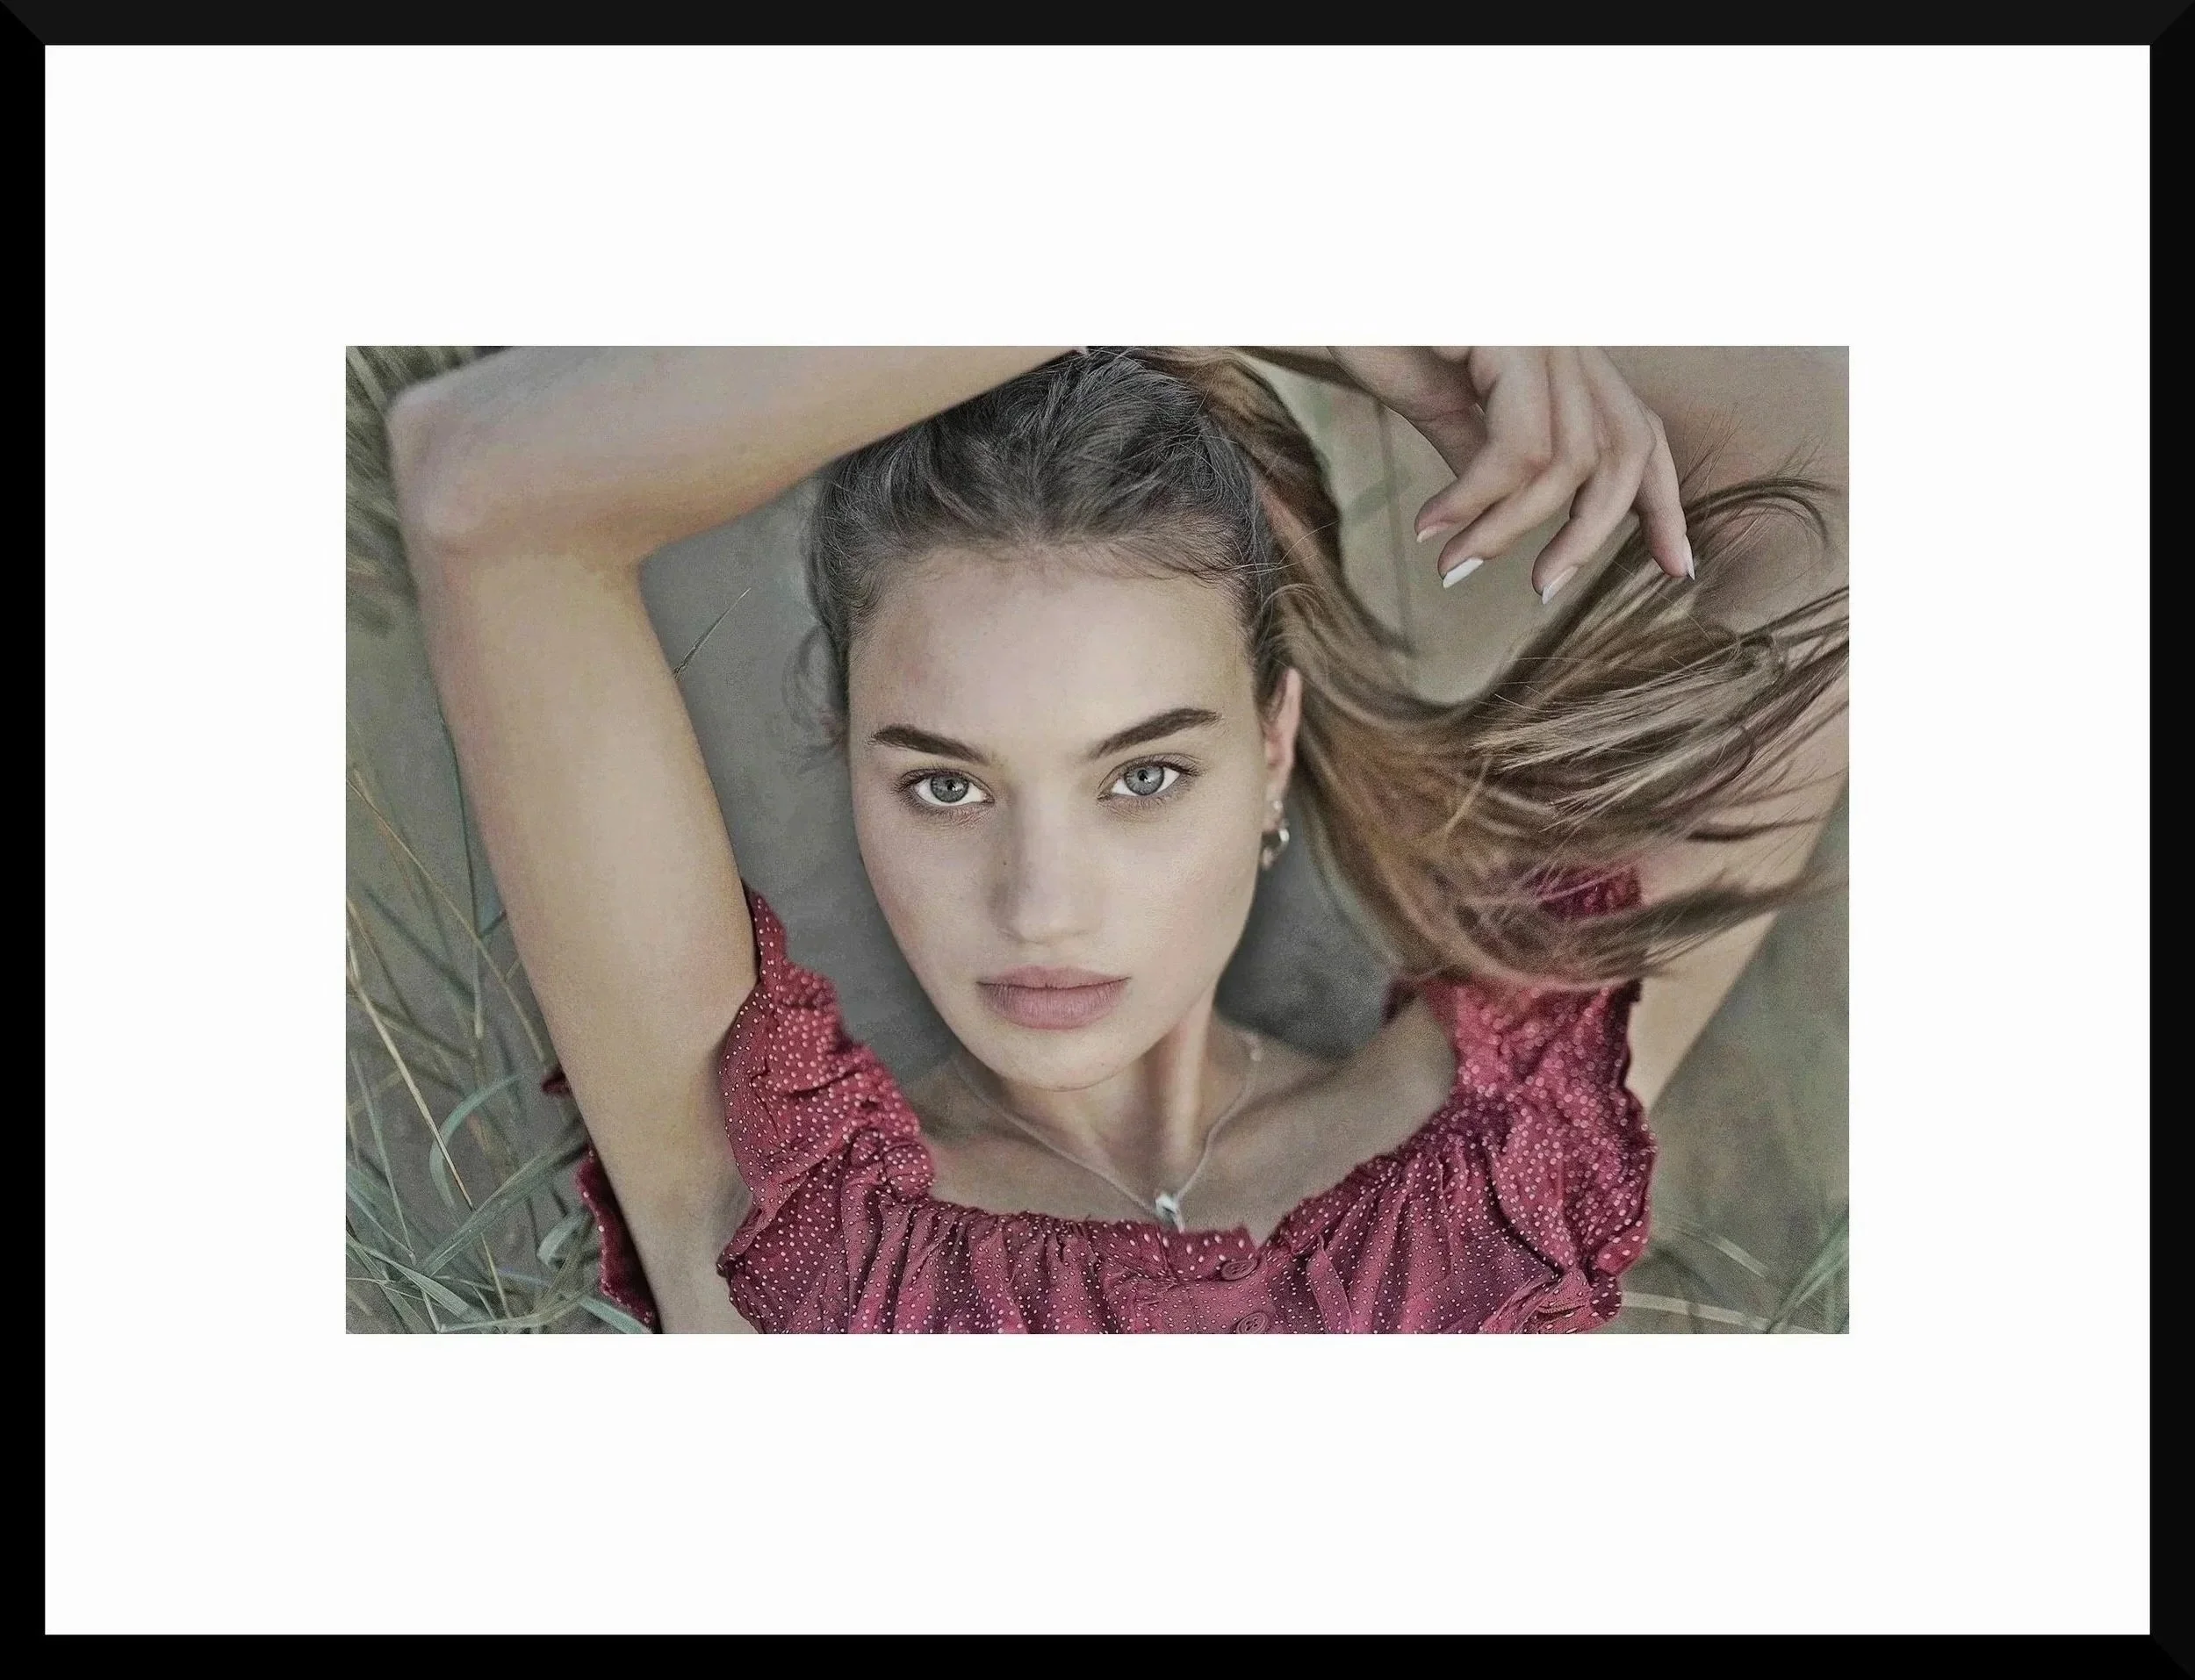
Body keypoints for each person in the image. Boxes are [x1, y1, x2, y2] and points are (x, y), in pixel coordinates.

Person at [383, 345, 1848, 1333]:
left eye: (1141, 776)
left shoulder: (1513, 1142)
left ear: (1270, 744)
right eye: (947, 786)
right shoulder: (772, 1212)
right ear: (848, 756)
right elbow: (472, 485)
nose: (1042, 907)